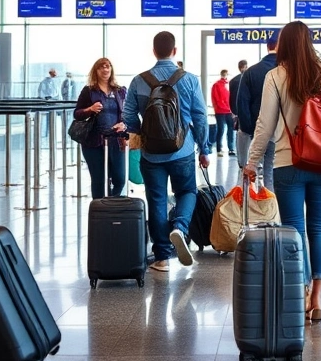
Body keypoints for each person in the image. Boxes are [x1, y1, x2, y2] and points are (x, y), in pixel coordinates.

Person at [242, 21, 321, 323]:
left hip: (288, 162)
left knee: (294, 231)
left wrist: (252, 163)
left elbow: (264, 126)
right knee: (319, 229)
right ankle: (317, 298)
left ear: (283, 44)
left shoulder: (276, 75)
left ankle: (300, 291)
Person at [123, 32, 211, 273]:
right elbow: (200, 117)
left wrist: (144, 132)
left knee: (157, 200)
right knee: (187, 191)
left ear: (154, 51)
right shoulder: (189, 80)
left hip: (151, 154)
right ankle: (180, 228)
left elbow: (128, 115)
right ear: (174, 51)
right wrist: (204, 148)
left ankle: (162, 257)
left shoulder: (139, 81)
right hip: (182, 151)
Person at [73, 58, 128, 199]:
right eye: (101, 67)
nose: (105, 70)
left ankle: (111, 204)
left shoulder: (120, 91)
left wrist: (123, 124)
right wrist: (90, 109)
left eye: (108, 66)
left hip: (116, 140)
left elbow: (127, 114)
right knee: (98, 180)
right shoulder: (89, 91)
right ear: (95, 71)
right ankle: (100, 212)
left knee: (120, 179)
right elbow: (77, 114)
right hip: (93, 141)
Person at [237, 37, 279, 189]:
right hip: (281, 133)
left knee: (255, 167)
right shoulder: (287, 71)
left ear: (268, 47)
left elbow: (242, 103)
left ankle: (260, 201)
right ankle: (272, 203)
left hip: (258, 129)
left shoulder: (251, 72)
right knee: (272, 169)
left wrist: (250, 129)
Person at [211, 69, 235, 157]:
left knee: (230, 129)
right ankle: (219, 149)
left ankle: (231, 148)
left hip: (227, 110)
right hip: (221, 111)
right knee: (221, 130)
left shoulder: (228, 84)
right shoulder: (217, 85)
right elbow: (216, 99)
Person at [230, 60, 248, 163]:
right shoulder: (249, 78)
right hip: (247, 112)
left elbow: (231, 98)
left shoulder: (233, 81)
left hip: (238, 112)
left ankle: (241, 160)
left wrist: (234, 112)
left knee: (240, 135)